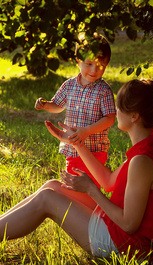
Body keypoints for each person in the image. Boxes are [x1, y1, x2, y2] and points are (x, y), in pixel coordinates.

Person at [0, 78, 153, 262]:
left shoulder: (142, 160)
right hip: (122, 236)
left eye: (119, 107)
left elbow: (129, 224)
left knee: (47, 199)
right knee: (52, 186)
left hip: (125, 247)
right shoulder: (149, 148)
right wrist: (77, 143)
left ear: (134, 116)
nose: (115, 111)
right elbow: (110, 181)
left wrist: (92, 190)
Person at [34, 32, 116, 188]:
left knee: (89, 187)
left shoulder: (103, 90)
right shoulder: (69, 85)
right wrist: (45, 105)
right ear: (78, 61)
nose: (94, 70)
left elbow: (109, 118)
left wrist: (86, 131)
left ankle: (89, 210)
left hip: (94, 151)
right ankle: (71, 209)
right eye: (89, 63)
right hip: (72, 148)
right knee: (72, 186)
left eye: (101, 66)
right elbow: (57, 106)